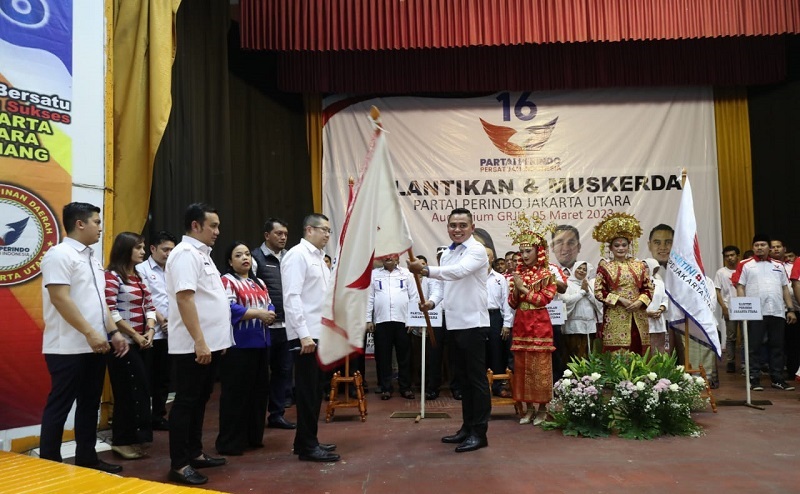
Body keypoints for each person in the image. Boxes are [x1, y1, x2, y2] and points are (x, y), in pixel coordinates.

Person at [39, 202, 128, 473]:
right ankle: (50, 465)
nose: (100, 227)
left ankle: (87, 459)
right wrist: (90, 333)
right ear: (80, 224)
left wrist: (113, 332)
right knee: (60, 406)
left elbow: (100, 303)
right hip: (67, 347)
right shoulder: (59, 254)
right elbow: (59, 298)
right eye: (97, 222)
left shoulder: (92, 257)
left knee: (89, 404)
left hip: (97, 345)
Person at [408, 208, 490, 453]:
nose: (457, 229)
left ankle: (480, 433)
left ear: (472, 227)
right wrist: (431, 303)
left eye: (462, 225)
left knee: (476, 381)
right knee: (462, 381)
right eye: (453, 225)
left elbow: (458, 273)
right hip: (452, 324)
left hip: (473, 324)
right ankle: (466, 427)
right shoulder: (446, 254)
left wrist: (424, 269)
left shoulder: (477, 250)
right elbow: (441, 287)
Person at [166, 203, 234, 485]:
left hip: (209, 344)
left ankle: (194, 452)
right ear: (196, 226)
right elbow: (185, 298)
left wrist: (219, 340)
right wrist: (200, 342)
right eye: (213, 226)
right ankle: (179, 464)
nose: (218, 231)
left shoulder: (202, 255)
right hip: (193, 346)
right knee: (186, 403)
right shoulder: (184, 254)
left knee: (200, 401)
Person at [281, 214, 340, 462]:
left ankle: (306, 440)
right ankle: (307, 446)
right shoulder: (297, 255)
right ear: (308, 230)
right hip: (306, 336)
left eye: (329, 230)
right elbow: (292, 297)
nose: (327, 234)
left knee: (316, 391)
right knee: (306, 392)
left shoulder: (318, 258)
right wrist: (304, 335)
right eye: (323, 230)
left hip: (319, 333)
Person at [216, 242, 275, 456]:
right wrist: (259, 314)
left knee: (258, 393)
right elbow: (229, 307)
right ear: (230, 261)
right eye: (238, 255)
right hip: (238, 346)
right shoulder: (227, 281)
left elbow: (269, 303)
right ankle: (231, 441)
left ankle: (253, 437)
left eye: (247, 254)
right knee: (236, 395)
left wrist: (268, 311)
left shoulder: (258, 281)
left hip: (261, 344)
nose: (245, 258)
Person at [104, 232, 157, 459]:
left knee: (141, 390)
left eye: (143, 247)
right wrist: (135, 335)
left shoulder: (138, 277)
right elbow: (110, 311)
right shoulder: (112, 276)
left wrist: (151, 330)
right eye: (138, 248)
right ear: (125, 249)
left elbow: (150, 306)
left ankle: (135, 438)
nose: (143, 251)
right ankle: (121, 440)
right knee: (127, 392)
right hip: (122, 343)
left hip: (141, 340)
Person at [505, 213, 558, 426]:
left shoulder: (547, 274)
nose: (524, 255)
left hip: (540, 323)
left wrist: (523, 289)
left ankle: (543, 408)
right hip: (521, 323)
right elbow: (511, 303)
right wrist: (517, 290)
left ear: (539, 251)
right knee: (522, 366)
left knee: (540, 366)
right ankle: (527, 408)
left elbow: (544, 299)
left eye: (529, 251)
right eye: (522, 251)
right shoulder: (517, 274)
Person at [733, 234, 796, 391]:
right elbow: (739, 286)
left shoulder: (778, 265)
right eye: (756, 245)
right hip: (755, 312)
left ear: (769, 247)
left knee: (777, 346)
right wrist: (743, 309)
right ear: (753, 247)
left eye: (762, 245)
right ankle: (754, 379)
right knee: (754, 347)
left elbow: (784, 288)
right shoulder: (745, 264)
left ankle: (777, 378)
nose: (759, 247)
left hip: (777, 311)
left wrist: (790, 309)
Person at [251, 218, 297, 430]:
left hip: (287, 326)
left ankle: (277, 414)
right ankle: (256, 418)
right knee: (260, 375)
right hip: (264, 327)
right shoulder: (255, 258)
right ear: (266, 235)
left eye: (285, 234)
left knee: (283, 372)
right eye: (278, 233)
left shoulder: (290, 257)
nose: (283, 237)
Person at [593, 213, 653, 355]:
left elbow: (648, 288)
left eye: (624, 245)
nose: (621, 248)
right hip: (615, 315)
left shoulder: (639, 265)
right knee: (616, 355)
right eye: (617, 245)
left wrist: (640, 302)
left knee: (639, 352)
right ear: (611, 248)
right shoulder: (605, 267)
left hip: (638, 315)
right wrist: (620, 299)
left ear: (629, 246)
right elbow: (599, 292)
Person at [136, 230, 177, 432]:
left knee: (164, 378)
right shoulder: (141, 269)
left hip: (172, 331)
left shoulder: (174, 269)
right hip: (150, 331)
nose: (169, 253)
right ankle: (142, 418)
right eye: (165, 249)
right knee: (146, 377)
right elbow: (146, 299)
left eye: (172, 249)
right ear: (152, 249)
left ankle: (158, 416)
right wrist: (162, 321)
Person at [366, 254, 419, 400]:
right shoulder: (374, 275)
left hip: (403, 321)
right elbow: (369, 297)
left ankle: (405, 387)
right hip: (381, 321)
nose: (388, 258)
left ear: (398, 259)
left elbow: (414, 297)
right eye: (385, 256)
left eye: (392, 255)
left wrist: (412, 319)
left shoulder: (407, 274)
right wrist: (368, 320)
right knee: (383, 356)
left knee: (405, 356)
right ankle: (385, 388)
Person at [485, 247, 514, 397]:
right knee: (478, 352)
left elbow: (505, 302)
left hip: (495, 316)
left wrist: (507, 324)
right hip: (477, 317)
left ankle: (497, 386)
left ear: (492, 259)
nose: (484, 257)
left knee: (496, 351)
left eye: (487, 255)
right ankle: (480, 387)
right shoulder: (472, 277)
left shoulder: (499, 278)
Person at [562, 260, 601, 360]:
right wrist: (582, 292)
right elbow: (565, 301)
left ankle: (588, 376)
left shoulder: (589, 285)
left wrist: (587, 292)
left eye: (585, 269)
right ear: (574, 269)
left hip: (590, 326)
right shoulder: (567, 284)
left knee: (589, 354)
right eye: (579, 268)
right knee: (574, 355)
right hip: (573, 326)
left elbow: (598, 304)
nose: (581, 271)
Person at [714, 245, 741, 373]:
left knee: (747, 336)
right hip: (729, 307)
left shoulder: (744, 269)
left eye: (732, 255)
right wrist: (723, 307)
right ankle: (730, 361)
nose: (730, 258)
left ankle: (746, 362)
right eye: (727, 256)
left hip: (746, 306)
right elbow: (717, 291)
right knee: (731, 336)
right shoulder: (721, 272)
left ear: (737, 256)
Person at [643, 258, 669, 355]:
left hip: (658, 320)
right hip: (643, 320)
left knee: (659, 350)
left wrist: (660, 310)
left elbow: (665, 299)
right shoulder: (637, 284)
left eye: (646, 266)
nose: (643, 269)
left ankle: (659, 370)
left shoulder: (659, 283)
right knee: (645, 351)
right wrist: (647, 313)